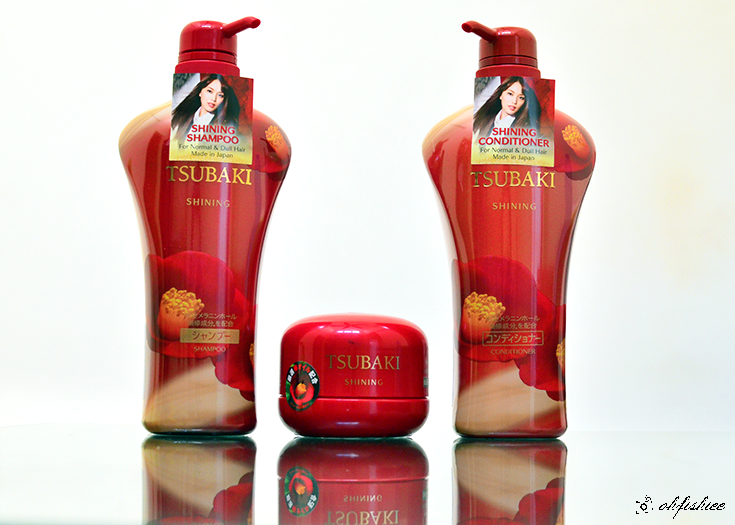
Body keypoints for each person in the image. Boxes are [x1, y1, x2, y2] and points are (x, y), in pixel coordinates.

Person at [172, 74, 241, 140]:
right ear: (200, 92)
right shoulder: (184, 116)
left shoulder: (225, 126)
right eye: (210, 91)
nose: (213, 99)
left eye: (220, 95)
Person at [473, 76, 540, 136]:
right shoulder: (485, 118)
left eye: (521, 97)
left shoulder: (526, 128)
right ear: (501, 95)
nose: (514, 101)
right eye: (510, 94)